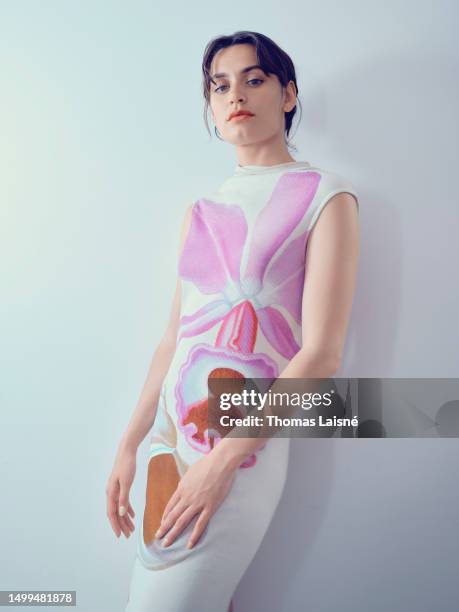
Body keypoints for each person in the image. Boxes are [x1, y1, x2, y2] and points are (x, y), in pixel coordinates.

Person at [106, 30, 360, 612]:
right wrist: (129, 445)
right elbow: (174, 337)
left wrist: (223, 462)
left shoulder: (326, 195)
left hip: (241, 448)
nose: (234, 95)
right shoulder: (201, 210)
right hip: (168, 442)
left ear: (288, 94)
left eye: (254, 79)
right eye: (219, 86)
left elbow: (321, 353)